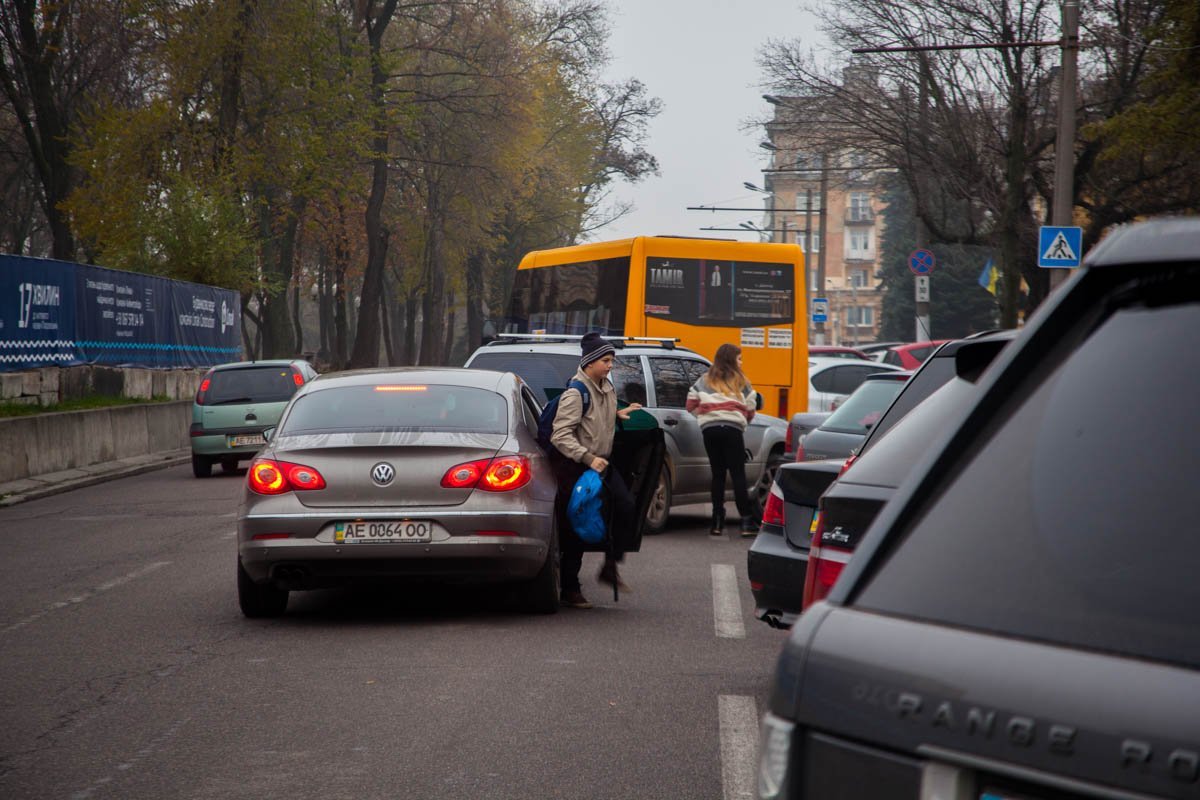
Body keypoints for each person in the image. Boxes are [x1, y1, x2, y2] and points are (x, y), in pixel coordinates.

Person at [550, 332, 643, 609]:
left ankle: (609, 566)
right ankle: (570, 588)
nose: (610, 365)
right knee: (577, 526)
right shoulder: (575, 393)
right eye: (606, 360)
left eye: (612, 360)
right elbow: (560, 435)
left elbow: (594, 417)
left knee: (626, 508)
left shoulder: (606, 387)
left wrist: (616, 414)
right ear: (590, 362)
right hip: (577, 467)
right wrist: (587, 457)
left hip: (601, 464)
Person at [686, 343, 761, 537]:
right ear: (731, 360)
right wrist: (741, 421)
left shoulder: (704, 380)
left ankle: (717, 521)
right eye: (739, 358)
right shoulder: (742, 381)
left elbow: (690, 404)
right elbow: (751, 408)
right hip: (732, 430)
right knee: (738, 475)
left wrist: (704, 418)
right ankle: (746, 521)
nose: (741, 362)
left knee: (718, 474)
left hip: (710, 431)